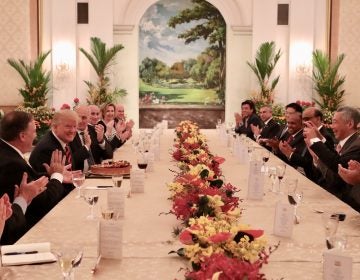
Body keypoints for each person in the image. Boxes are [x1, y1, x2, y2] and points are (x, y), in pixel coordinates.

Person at [0, 111, 70, 243]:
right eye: (34, 131)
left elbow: (31, 179)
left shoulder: (6, 152)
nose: (36, 136)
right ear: (22, 136)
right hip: (19, 237)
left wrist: (51, 175)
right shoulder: (13, 163)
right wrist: (57, 176)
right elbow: (46, 202)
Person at [304, 106, 360, 200]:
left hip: (345, 199)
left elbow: (338, 164)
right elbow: (335, 156)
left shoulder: (357, 145)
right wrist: (320, 138)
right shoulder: (348, 142)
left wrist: (314, 141)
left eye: (335, 122)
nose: (331, 126)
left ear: (350, 124)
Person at [70, 105, 113, 172]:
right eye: (78, 117)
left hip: (97, 173)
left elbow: (109, 155)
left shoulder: (95, 131)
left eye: (84, 117)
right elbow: (71, 161)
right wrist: (86, 146)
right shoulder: (69, 134)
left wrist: (101, 141)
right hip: (79, 175)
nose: (80, 120)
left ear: (88, 118)